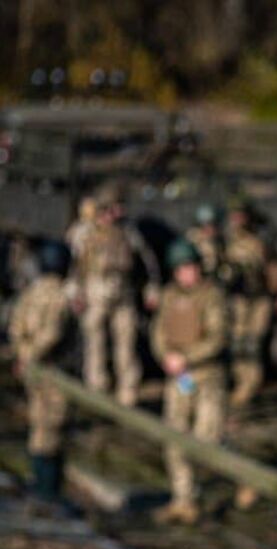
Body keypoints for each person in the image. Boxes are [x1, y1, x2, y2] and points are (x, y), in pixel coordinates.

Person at [150, 239, 228, 526]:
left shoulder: (212, 296)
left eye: (192, 267)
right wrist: (167, 356)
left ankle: (243, 478)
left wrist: (187, 356)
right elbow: (158, 330)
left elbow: (218, 337)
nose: (188, 273)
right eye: (182, 268)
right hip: (178, 377)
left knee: (208, 441)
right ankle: (183, 500)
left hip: (207, 376)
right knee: (174, 439)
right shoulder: (169, 295)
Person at [73, 183, 160, 406]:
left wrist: (152, 289)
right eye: (114, 208)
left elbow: (147, 263)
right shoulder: (84, 232)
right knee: (95, 344)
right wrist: (76, 293)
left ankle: (128, 390)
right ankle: (96, 389)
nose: (119, 213)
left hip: (124, 295)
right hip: (94, 294)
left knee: (127, 343)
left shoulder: (128, 231)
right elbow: (76, 267)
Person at [8, 242, 76, 502]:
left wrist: (23, 353)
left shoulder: (32, 291)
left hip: (34, 369)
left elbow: (16, 326)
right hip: (52, 371)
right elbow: (53, 333)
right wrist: (31, 356)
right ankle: (47, 491)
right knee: (51, 427)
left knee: (40, 423)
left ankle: (43, 487)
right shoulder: (59, 295)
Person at [224, 196, 277, 407]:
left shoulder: (262, 238)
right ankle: (242, 381)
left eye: (241, 215)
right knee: (238, 341)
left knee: (253, 342)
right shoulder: (228, 238)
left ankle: (250, 384)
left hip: (259, 298)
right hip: (237, 299)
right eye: (234, 215)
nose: (237, 219)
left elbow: (274, 268)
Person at [185, 203, 226, 280]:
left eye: (214, 225)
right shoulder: (194, 240)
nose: (211, 229)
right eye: (207, 225)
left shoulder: (218, 240)